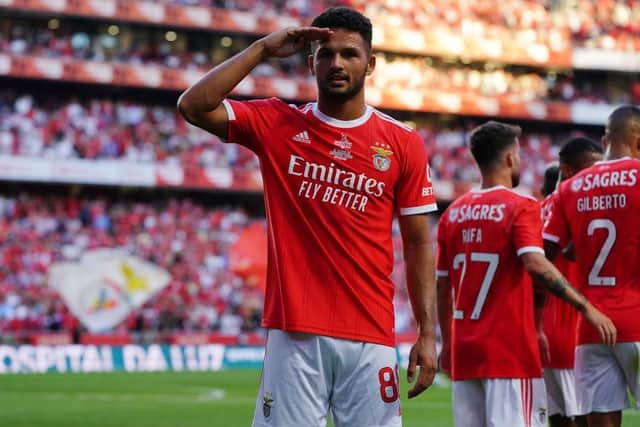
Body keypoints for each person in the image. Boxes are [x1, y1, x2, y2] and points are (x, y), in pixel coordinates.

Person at [177, 7, 439, 427]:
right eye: (325, 53)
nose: (337, 63)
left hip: (370, 334)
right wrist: (262, 49)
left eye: (350, 54)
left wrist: (428, 333)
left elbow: (419, 242)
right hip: (294, 332)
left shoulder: (403, 142)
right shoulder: (277, 122)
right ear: (310, 61)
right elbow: (193, 105)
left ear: (369, 64)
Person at [436, 121, 616, 427]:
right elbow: (535, 263)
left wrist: (447, 342)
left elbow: (442, 286)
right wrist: (586, 307)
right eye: (517, 155)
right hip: (508, 352)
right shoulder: (520, 206)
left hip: (466, 352)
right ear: (509, 159)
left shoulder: (453, 213)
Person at [543, 106, 640, 427]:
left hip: (591, 328)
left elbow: (542, 260)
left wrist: (582, 305)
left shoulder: (570, 188)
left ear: (606, 139)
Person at [540, 138, 603, 427]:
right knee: (583, 418)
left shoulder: (538, 209)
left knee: (558, 418)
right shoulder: (580, 204)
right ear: (567, 171)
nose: (598, 176)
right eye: (592, 169)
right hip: (572, 328)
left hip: (545, 329)